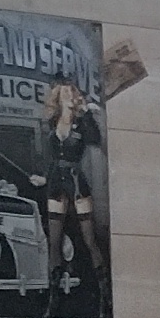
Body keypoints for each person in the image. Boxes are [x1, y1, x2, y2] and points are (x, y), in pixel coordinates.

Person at [36, 79, 101, 301]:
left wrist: (86, 114)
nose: (71, 95)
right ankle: (53, 298)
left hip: (76, 182)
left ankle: (104, 295)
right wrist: (44, 177)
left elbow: (95, 139)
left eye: (73, 92)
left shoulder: (82, 123)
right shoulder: (52, 123)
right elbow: (49, 157)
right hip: (56, 183)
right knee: (54, 241)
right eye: (66, 92)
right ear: (59, 97)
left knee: (89, 239)